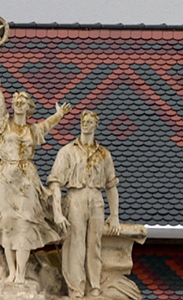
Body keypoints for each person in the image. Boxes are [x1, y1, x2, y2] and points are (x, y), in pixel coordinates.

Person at [0, 43, 71, 285]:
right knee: (7, 226)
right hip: (5, 177)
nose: (18, 101)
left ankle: (21, 275)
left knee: (25, 225)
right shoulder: (2, 123)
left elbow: (47, 125)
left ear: (28, 107)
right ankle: (11, 274)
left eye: (23, 99)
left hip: (27, 179)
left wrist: (59, 114)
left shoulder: (32, 129)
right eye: (16, 99)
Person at [48, 111, 120, 298]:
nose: (85, 125)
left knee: (94, 243)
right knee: (75, 244)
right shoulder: (67, 151)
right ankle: (76, 289)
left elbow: (111, 186)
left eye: (89, 122)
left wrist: (114, 215)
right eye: (83, 121)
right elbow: (55, 183)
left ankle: (94, 286)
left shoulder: (104, 154)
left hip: (96, 198)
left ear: (96, 125)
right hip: (75, 197)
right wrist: (57, 212)